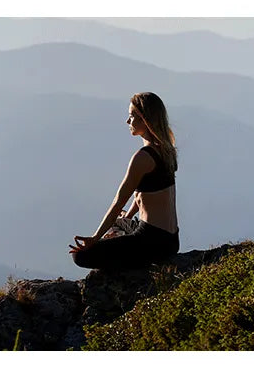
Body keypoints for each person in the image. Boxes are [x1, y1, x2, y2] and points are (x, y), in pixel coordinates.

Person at [69, 92, 180, 270]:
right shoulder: (166, 151)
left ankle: (131, 267)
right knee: (117, 224)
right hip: (171, 240)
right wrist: (127, 217)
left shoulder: (142, 158)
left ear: (144, 119)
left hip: (152, 241)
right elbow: (146, 194)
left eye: (131, 116)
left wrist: (95, 238)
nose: (127, 122)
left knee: (79, 256)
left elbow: (118, 201)